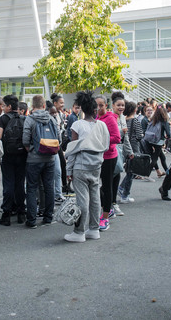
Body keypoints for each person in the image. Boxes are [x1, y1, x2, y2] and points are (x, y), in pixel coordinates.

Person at [63, 91, 109, 243]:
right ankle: (94, 229)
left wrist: (69, 171)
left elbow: (73, 149)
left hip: (81, 166)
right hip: (96, 165)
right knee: (95, 197)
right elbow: (106, 145)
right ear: (95, 110)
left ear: (81, 108)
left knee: (82, 199)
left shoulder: (77, 125)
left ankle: (79, 232)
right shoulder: (102, 125)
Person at [22, 95, 57, 229]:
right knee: (49, 187)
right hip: (50, 159)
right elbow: (58, 137)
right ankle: (48, 217)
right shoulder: (52, 119)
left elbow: (25, 140)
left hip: (34, 159)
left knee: (31, 188)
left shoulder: (29, 119)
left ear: (32, 106)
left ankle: (31, 220)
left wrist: (31, 149)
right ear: (44, 106)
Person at [0, 94, 27, 227]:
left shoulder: (3, 119)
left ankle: (6, 214)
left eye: (4, 105)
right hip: (22, 156)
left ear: (9, 106)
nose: (3, 108)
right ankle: (21, 213)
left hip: (8, 156)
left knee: (8, 184)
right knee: (20, 184)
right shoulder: (24, 118)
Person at [94, 95, 121, 230]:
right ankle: (107, 208)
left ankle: (105, 217)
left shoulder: (109, 119)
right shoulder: (96, 118)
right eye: (96, 105)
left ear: (106, 105)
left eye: (101, 105)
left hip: (109, 157)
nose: (98, 108)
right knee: (99, 186)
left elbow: (117, 138)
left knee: (107, 186)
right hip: (99, 156)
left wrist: (102, 141)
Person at [118, 101, 144, 202]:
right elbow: (139, 135)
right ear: (135, 110)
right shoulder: (135, 121)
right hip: (134, 146)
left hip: (124, 146)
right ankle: (125, 194)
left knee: (130, 170)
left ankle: (121, 188)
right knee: (132, 170)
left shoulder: (123, 120)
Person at [145, 105, 170, 179]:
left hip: (150, 140)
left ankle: (167, 171)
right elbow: (168, 133)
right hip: (159, 141)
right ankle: (147, 174)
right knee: (155, 158)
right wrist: (168, 137)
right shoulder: (164, 121)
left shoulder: (153, 119)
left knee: (162, 157)